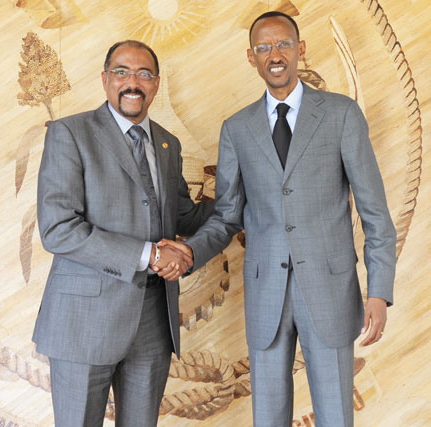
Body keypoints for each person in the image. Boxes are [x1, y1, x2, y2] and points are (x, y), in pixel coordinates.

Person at [158, 11, 396, 427]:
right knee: (268, 417)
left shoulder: (342, 115)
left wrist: (379, 290)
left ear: (300, 49)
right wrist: (189, 252)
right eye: (263, 47)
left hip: (330, 290)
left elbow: (375, 211)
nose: (275, 54)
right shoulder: (237, 128)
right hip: (265, 293)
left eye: (283, 43)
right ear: (251, 58)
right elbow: (228, 217)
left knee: (336, 416)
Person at [32, 40, 212, 427]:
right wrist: (151, 256)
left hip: (152, 322)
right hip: (84, 321)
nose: (134, 82)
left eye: (144, 74)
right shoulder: (70, 133)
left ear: (156, 84)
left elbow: (186, 217)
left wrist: (244, 196)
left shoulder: (168, 143)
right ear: (104, 79)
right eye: (122, 72)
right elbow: (58, 229)